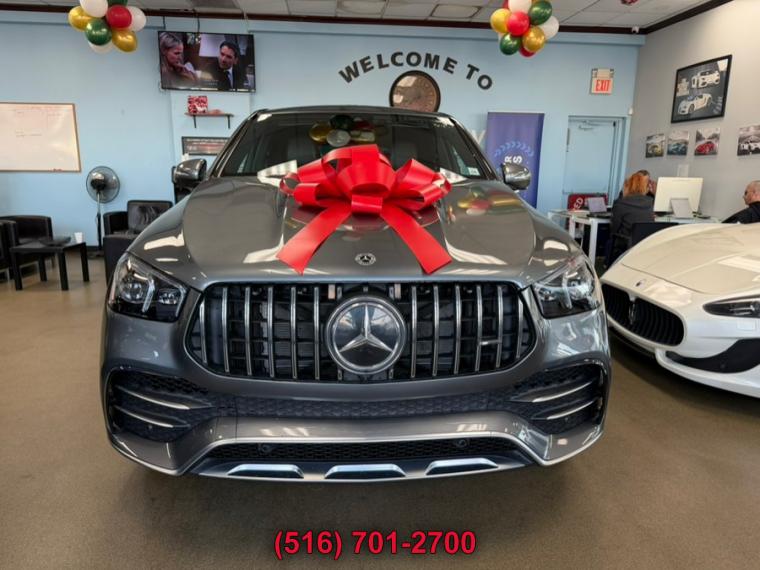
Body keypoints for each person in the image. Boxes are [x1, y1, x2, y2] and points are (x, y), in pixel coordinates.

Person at [611, 172, 655, 240]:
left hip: (626, 242)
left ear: (628, 186)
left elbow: (614, 229)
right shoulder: (650, 202)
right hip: (644, 242)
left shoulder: (620, 203)